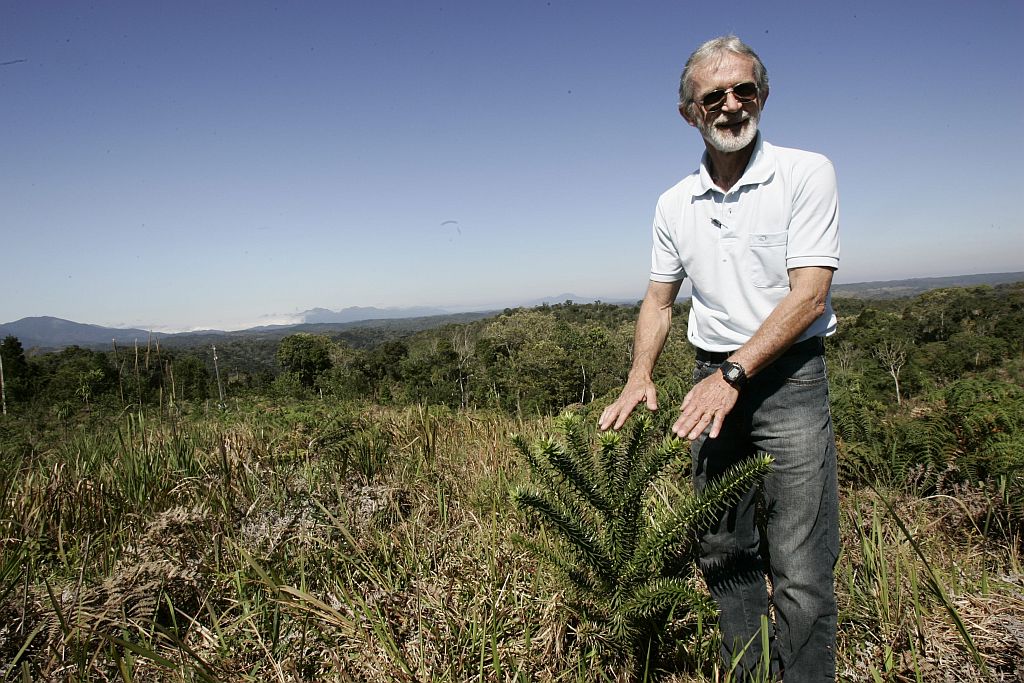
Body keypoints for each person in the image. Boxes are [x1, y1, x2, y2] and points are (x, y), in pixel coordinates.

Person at [598, 35, 840, 682]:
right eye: (715, 96)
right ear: (690, 113)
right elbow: (658, 299)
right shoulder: (674, 203)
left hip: (788, 378)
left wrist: (737, 373)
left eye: (745, 90)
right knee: (723, 546)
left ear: (762, 95)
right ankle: (750, 674)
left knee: (801, 562)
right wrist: (639, 375)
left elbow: (810, 296)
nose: (732, 105)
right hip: (711, 379)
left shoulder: (804, 171)